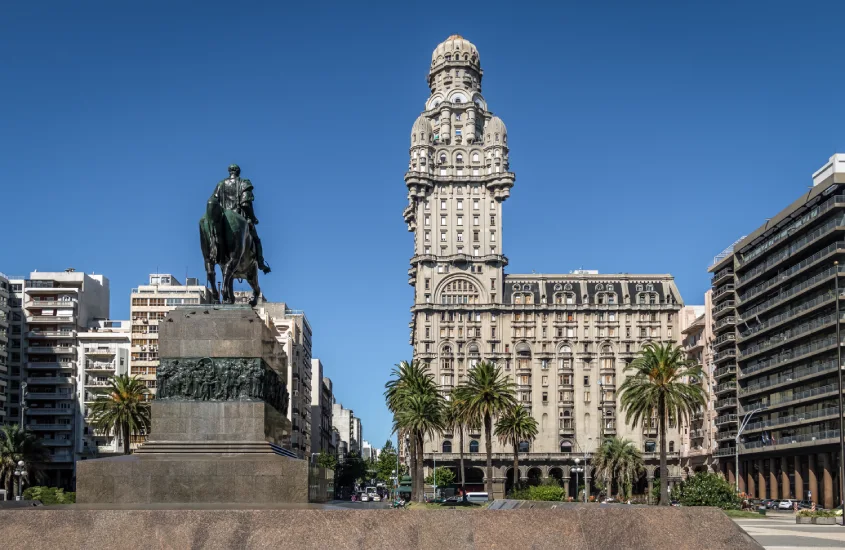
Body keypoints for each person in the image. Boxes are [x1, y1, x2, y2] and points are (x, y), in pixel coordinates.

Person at [210, 164, 271, 274]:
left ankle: (212, 255)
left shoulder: (220, 184)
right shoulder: (243, 183)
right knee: (256, 240)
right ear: (238, 172)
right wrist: (253, 218)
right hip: (240, 218)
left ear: (229, 172)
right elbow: (245, 204)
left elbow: (214, 200)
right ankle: (261, 263)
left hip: (223, 219)